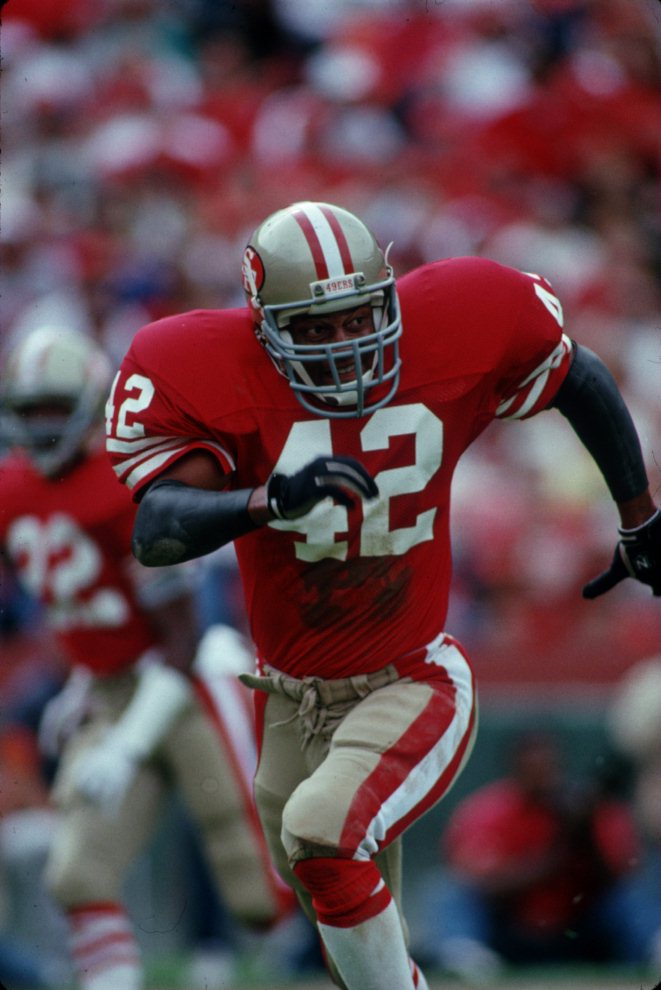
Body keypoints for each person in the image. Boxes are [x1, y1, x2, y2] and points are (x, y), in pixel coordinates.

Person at [106, 200, 661, 990]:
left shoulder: (463, 317)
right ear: (263, 326)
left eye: (356, 316)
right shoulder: (201, 366)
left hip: (413, 675)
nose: (343, 345)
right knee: (341, 916)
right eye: (313, 327)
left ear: (390, 295)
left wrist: (639, 516)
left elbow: (578, 375)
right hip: (291, 702)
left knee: (322, 834)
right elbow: (156, 528)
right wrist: (264, 499)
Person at [0, 326, 294, 990]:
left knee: (263, 891)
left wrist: (128, 744)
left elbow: (182, 639)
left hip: (183, 691)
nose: (40, 424)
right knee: (78, 874)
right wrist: (83, 682)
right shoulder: (12, 490)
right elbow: (80, 608)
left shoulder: (120, 485)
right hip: (109, 690)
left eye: (54, 407)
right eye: (29, 409)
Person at [432, 731, 641, 978]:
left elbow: (619, 877)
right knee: (449, 890)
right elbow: (481, 882)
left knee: (632, 897)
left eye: (547, 768)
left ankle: (649, 952)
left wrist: (587, 836)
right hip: (511, 928)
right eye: (532, 770)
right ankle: (463, 955)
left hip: (579, 926)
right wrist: (555, 854)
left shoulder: (591, 807)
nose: (541, 778)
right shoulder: (486, 811)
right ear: (514, 770)